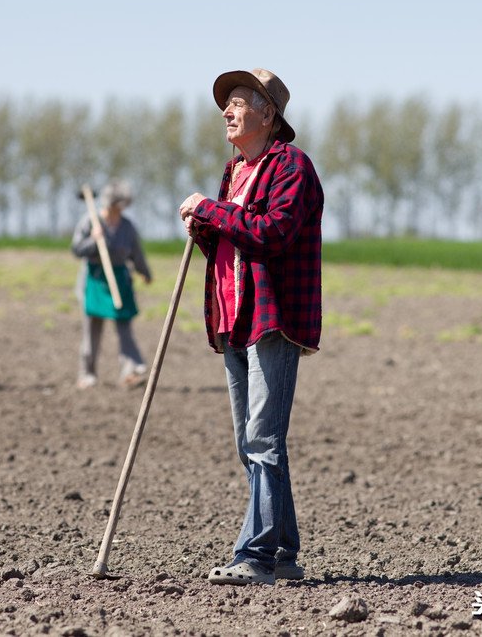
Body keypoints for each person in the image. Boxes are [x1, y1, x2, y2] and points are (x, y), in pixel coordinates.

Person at [178, 68, 323, 585]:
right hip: (233, 317)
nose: (227, 110)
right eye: (227, 103)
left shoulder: (293, 167)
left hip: (272, 318)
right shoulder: (234, 170)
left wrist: (213, 211)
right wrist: (203, 228)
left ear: (269, 114)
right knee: (250, 441)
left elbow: (273, 233)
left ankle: (255, 556)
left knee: (263, 439)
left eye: (239, 101)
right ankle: (283, 553)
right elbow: (229, 244)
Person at [71, 181, 152, 390]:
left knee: (123, 324)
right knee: (92, 329)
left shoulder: (127, 226)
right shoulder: (91, 221)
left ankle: (131, 371)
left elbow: (136, 253)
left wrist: (144, 272)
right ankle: (86, 373)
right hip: (94, 280)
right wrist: (92, 240)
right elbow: (76, 249)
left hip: (119, 279)